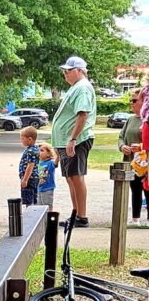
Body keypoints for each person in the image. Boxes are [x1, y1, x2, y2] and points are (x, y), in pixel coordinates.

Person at [51, 56, 96, 228]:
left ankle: (81, 216)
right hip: (68, 141)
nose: (65, 74)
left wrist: (73, 138)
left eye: (68, 71)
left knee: (76, 177)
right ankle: (76, 213)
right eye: (64, 71)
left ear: (79, 70)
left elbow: (82, 114)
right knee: (71, 177)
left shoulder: (83, 88)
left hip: (77, 141)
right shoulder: (76, 87)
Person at [120, 88, 148, 224]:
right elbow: (121, 137)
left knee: (147, 190)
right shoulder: (130, 120)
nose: (131, 103)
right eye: (130, 100)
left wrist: (141, 146)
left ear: (143, 101)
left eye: (134, 100)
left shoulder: (146, 120)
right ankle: (135, 218)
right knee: (135, 189)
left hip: (145, 162)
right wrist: (122, 146)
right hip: (132, 162)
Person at [19, 126, 40, 206]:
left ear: (30, 139)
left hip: (29, 179)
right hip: (33, 178)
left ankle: (30, 214)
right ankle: (32, 212)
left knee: (28, 200)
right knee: (33, 198)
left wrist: (25, 179)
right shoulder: (34, 149)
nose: (21, 141)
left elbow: (30, 166)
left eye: (22, 138)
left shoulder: (30, 151)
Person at [37, 142, 58, 210]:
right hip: (39, 188)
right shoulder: (39, 162)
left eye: (42, 150)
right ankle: (43, 220)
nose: (39, 152)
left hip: (47, 189)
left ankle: (49, 219)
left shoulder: (50, 162)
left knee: (47, 206)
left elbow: (55, 163)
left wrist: (58, 155)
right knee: (39, 207)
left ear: (48, 153)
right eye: (39, 150)